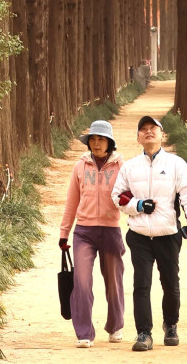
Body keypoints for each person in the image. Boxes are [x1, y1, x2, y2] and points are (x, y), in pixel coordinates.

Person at [112, 112, 187, 352]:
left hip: (168, 234)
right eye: (143, 129)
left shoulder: (176, 164)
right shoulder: (130, 167)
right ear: (138, 138)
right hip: (139, 235)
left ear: (162, 135)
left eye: (153, 128)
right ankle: (144, 333)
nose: (148, 131)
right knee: (141, 284)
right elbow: (117, 196)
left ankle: (171, 325)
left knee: (170, 283)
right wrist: (137, 206)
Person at [60, 118, 127, 348]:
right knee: (81, 281)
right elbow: (72, 202)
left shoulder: (121, 166)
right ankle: (84, 332)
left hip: (111, 230)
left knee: (113, 282)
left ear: (110, 142)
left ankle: (115, 325)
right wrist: (64, 233)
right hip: (84, 232)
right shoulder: (80, 166)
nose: (96, 144)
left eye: (101, 139)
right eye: (93, 139)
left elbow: (130, 197)